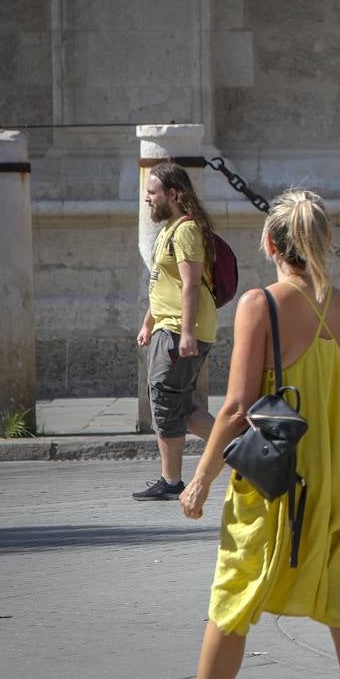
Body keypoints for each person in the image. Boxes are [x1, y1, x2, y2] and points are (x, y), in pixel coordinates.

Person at [131, 189, 340, 679]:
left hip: (279, 483)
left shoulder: (259, 304)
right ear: (323, 245)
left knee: (232, 601)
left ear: (269, 244)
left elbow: (236, 406)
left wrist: (200, 480)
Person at [133, 163, 217, 501]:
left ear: (172, 194)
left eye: (152, 192)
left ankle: (171, 481)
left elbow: (192, 284)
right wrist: (148, 322)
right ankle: (243, 446)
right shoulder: (170, 229)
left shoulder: (186, 231)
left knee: (167, 404)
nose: (146, 199)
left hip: (180, 330)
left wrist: (185, 333)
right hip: (167, 328)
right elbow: (164, 283)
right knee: (178, 404)